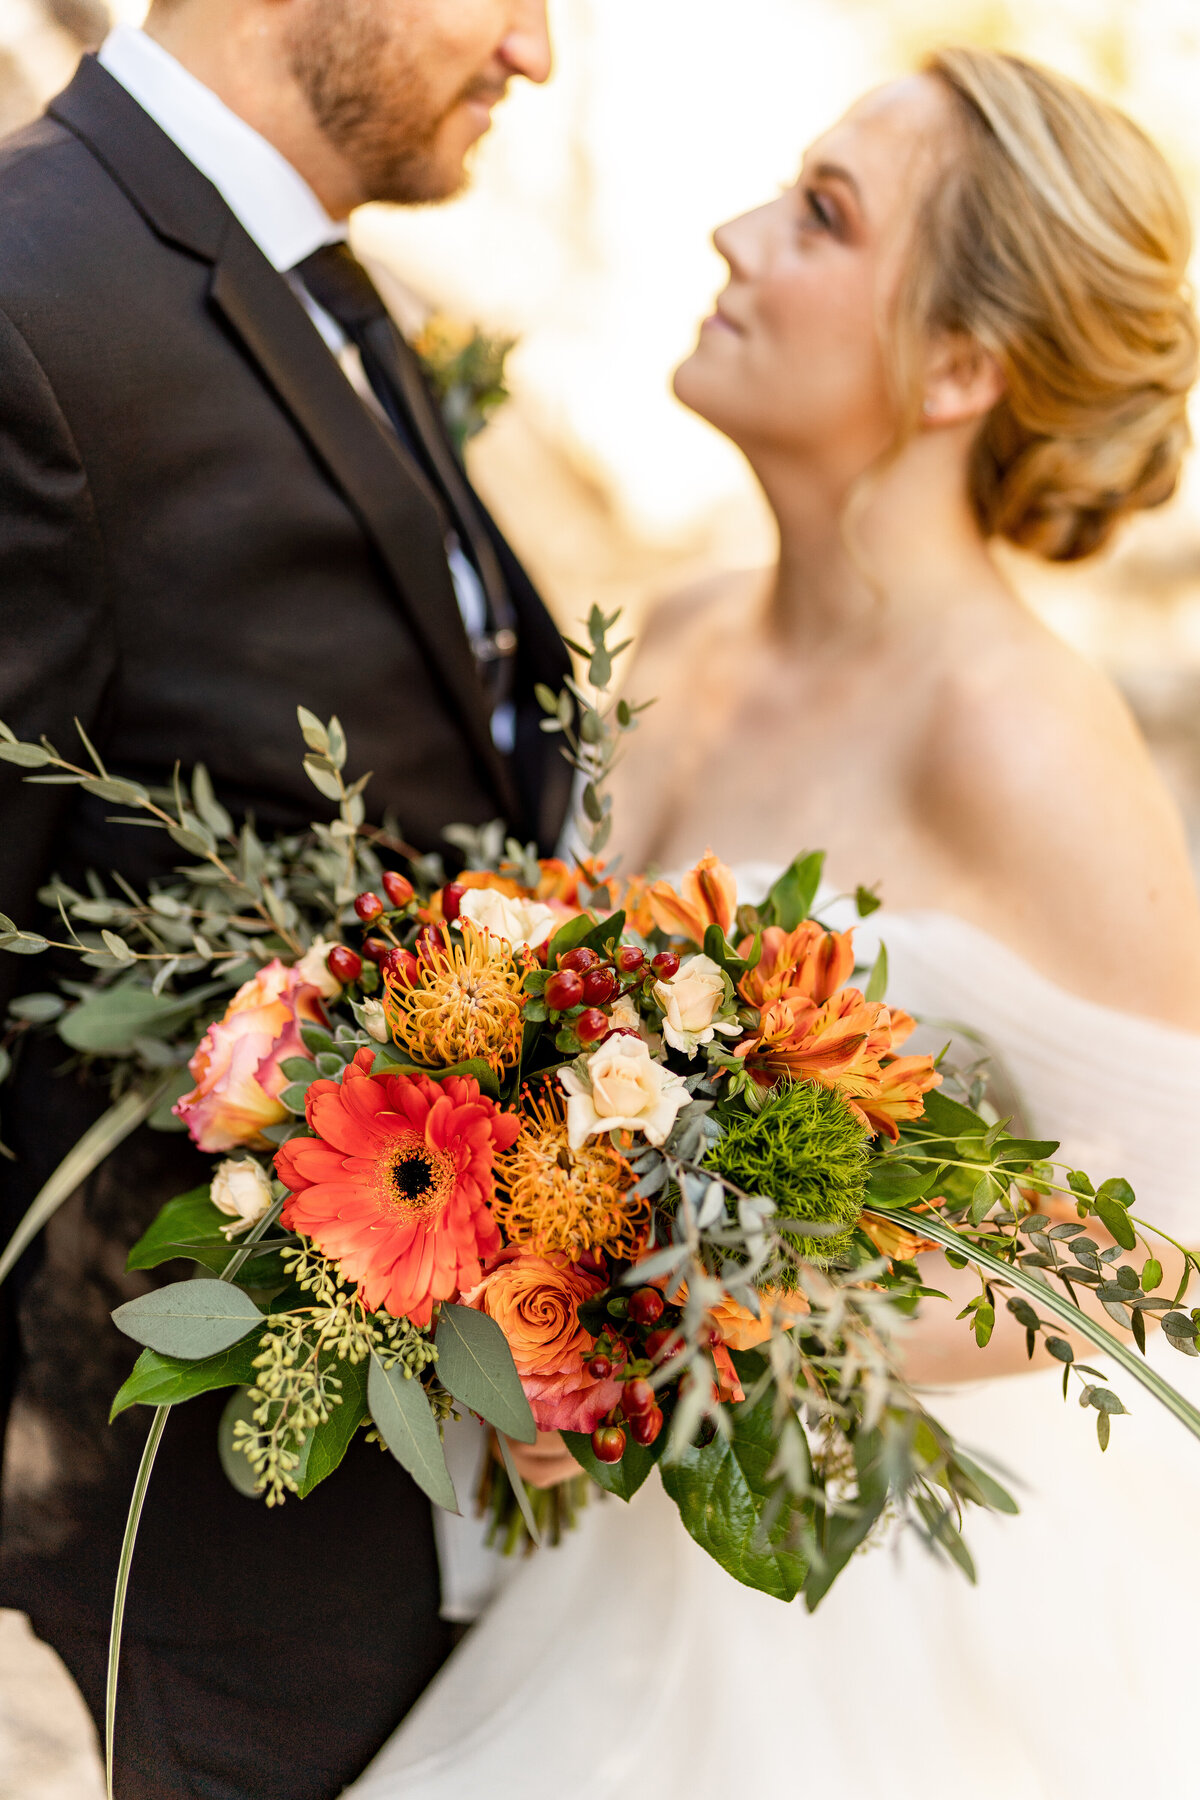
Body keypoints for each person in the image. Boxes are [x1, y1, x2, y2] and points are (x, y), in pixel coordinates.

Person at [341, 49, 1200, 1799]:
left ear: (964, 364)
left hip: (855, 1620)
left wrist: (737, 1320)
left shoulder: (1019, 735)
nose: (733, 239)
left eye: (821, 217)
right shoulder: (680, 632)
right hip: (574, 1521)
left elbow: (1169, 1239)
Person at [0, 3, 570, 1797]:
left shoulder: (309, 277)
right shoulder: (32, 289)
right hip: (190, 1551)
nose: (537, 53)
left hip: (403, 1534)